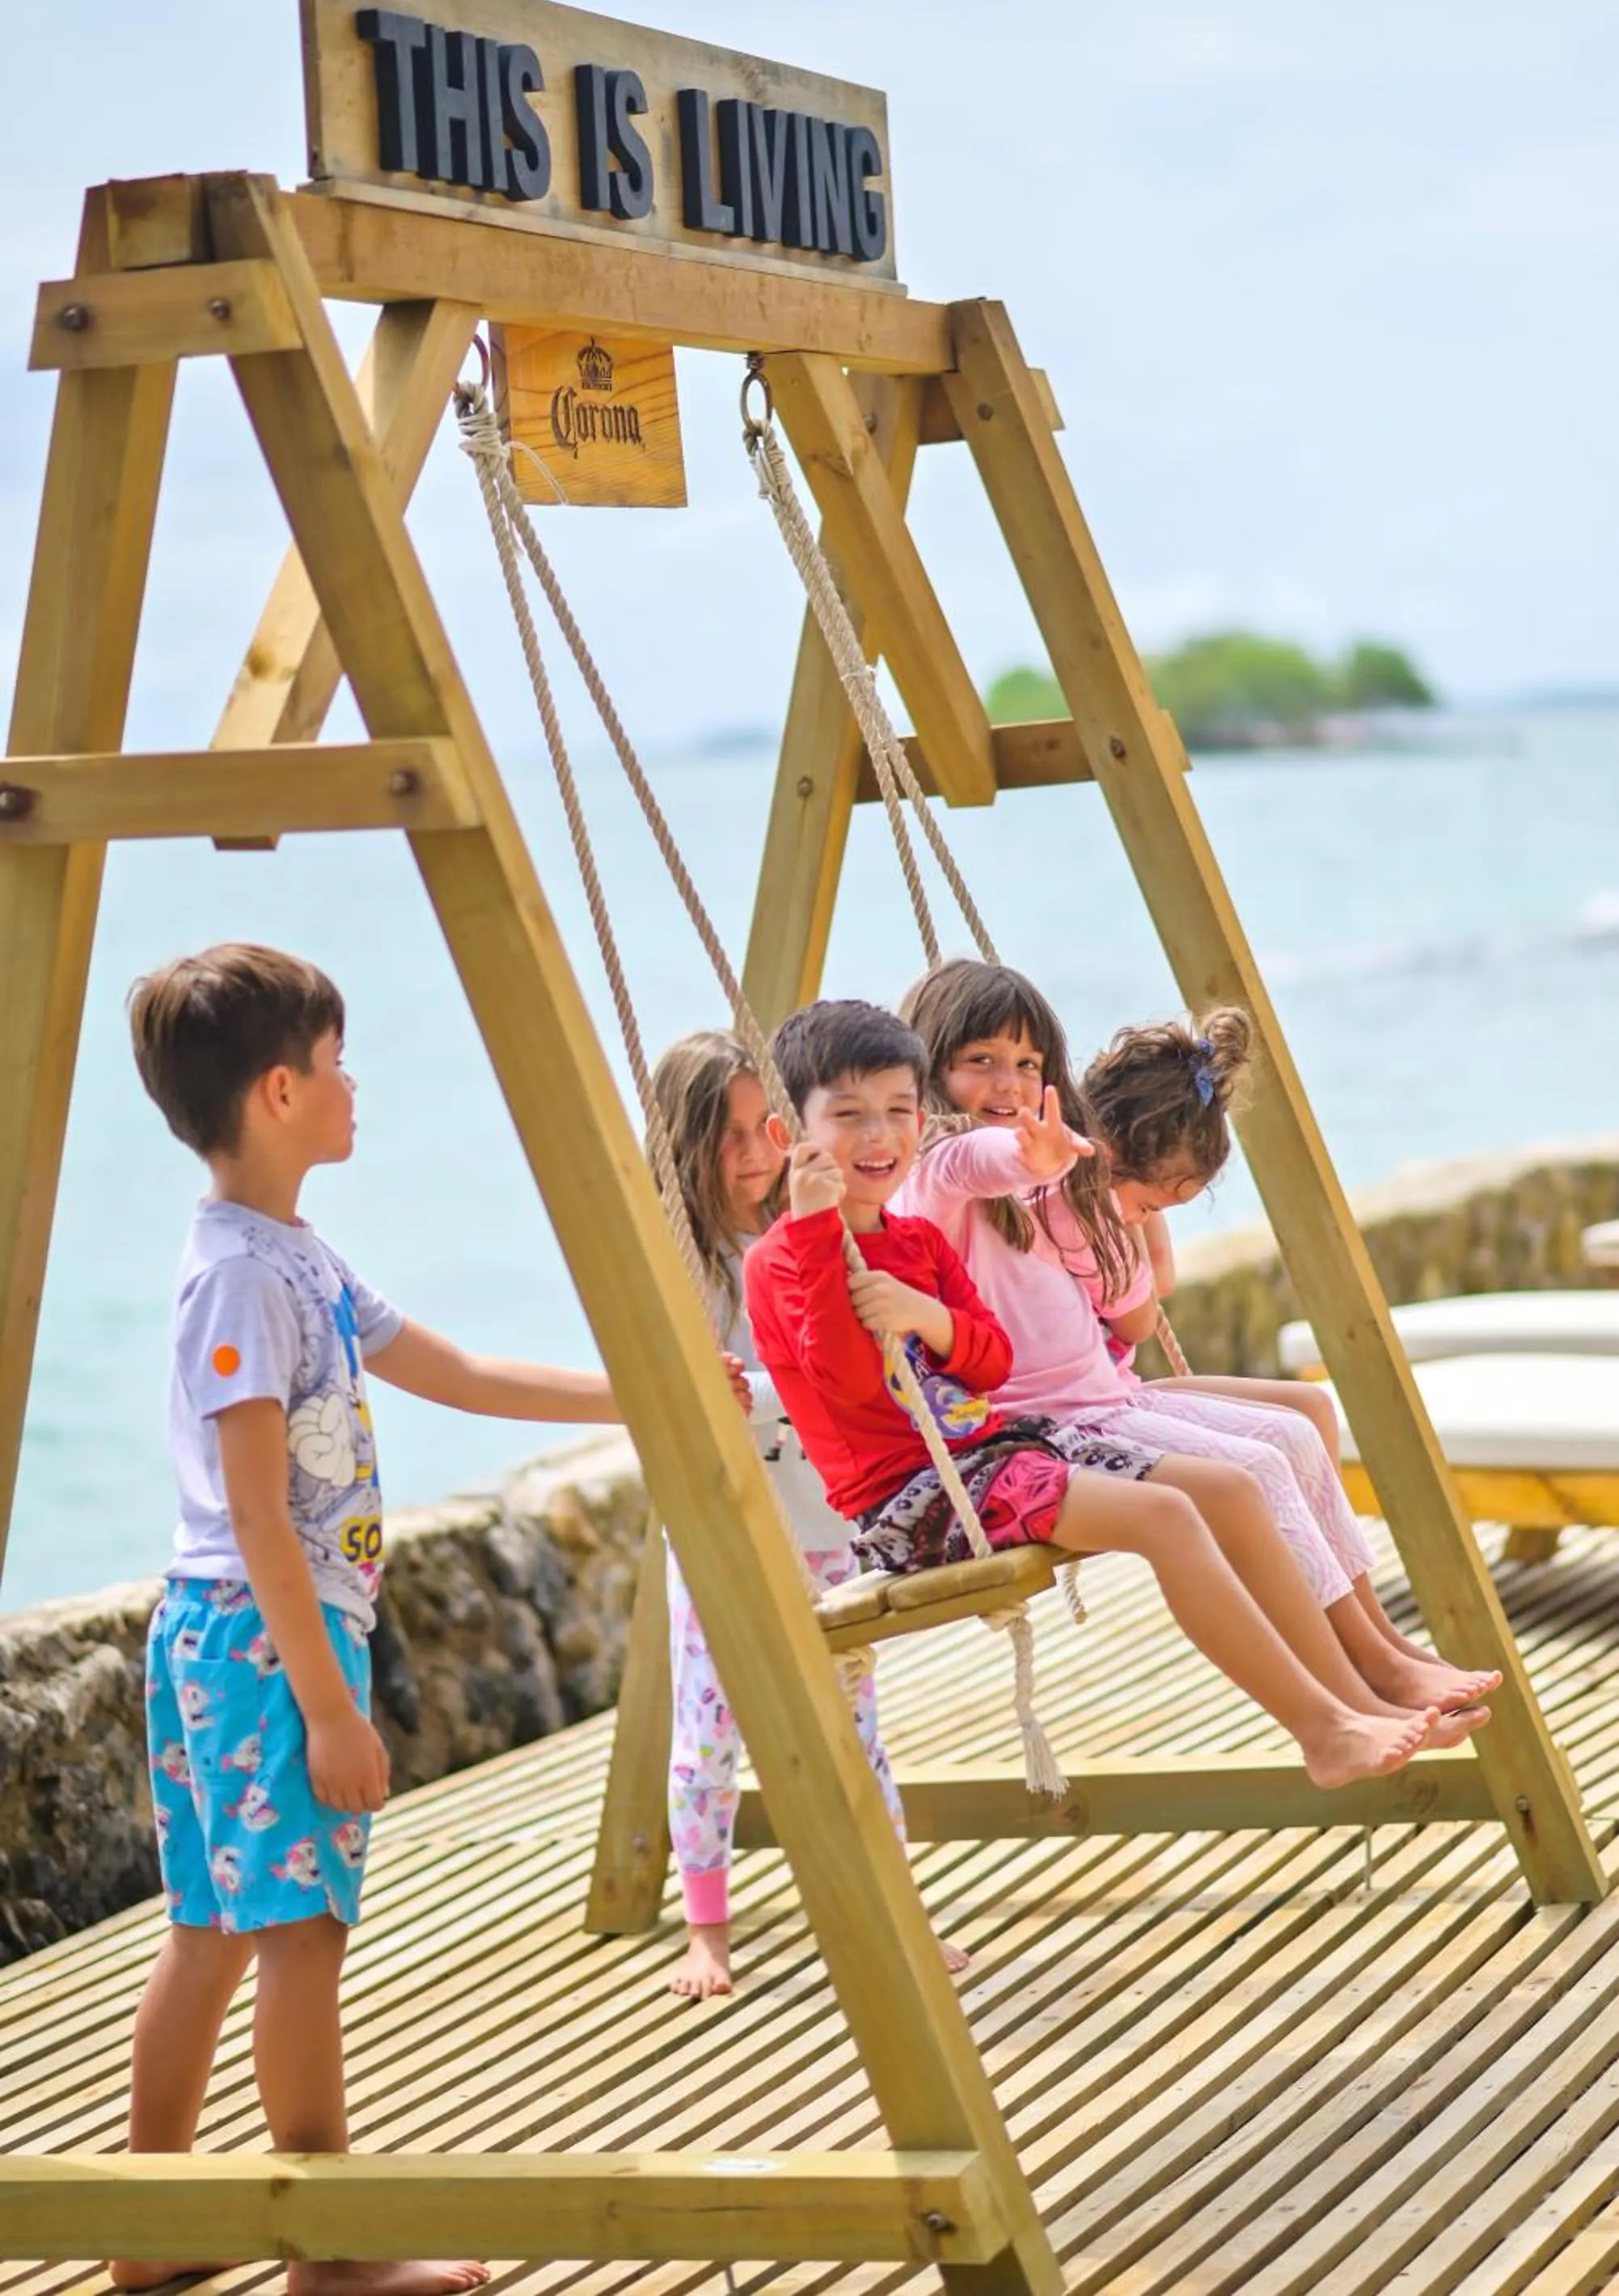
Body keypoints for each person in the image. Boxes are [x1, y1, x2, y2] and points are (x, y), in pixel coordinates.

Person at [116, 943, 701, 2296]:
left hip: (231, 1639)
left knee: (209, 1931)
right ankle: (325, 2250)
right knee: (297, 1938)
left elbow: (455, 1366)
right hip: (264, 1647)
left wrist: (641, 1389)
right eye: (334, 1063)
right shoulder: (241, 1280)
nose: (353, 1083)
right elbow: (258, 1512)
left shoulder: (293, 1253)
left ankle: (146, 2231)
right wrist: (328, 1706)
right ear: (277, 1092)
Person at [743, 998, 1443, 1795]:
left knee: (1223, 1482)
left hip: (995, 1455)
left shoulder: (917, 1242)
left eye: (898, 1111)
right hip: (919, 1499)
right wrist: (810, 1230)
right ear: (785, 1135)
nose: (879, 1136)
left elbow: (987, 1358)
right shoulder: (783, 1261)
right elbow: (842, 1382)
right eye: (848, 1116)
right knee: (1173, 1511)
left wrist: (929, 1316)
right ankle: (1325, 1727)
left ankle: (1348, 1703)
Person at [895, 960, 1497, 1732]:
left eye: (1028, 1064)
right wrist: (1036, 1158)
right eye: (981, 1062)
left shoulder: (1038, 1184)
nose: (1009, 1083)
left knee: (1290, 1433)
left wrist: (1060, 1173)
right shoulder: (942, 1170)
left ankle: (1380, 1654)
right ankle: (1354, 1698)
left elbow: (1130, 1292)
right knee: (1255, 1465)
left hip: (1097, 1401)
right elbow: (978, 1163)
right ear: (930, 1064)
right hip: (1035, 1428)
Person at [650, 1032, 961, 1999]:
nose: (752, 1153)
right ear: (682, 1148)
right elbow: (659, 1381)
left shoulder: (807, 1236)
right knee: (710, 1727)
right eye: (726, 1136)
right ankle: (706, 1927)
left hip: (827, 1518)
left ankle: (897, 1908)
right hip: (726, 1527)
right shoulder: (677, 1257)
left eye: (765, 1128)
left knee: (852, 1723)